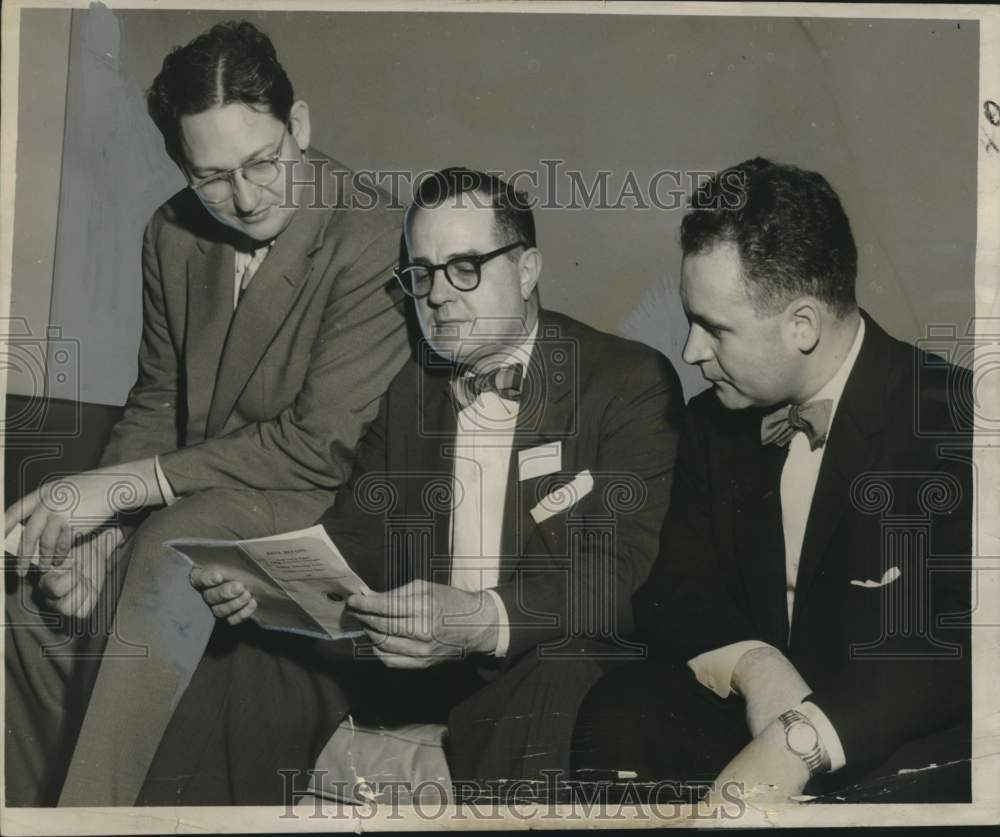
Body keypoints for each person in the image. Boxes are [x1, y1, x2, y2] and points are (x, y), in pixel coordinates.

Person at [133, 167, 685, 805]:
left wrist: (478, 621)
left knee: (556, 674)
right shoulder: (411, 389)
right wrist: (267, 587)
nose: (439, 296)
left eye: (466, 266)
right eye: (422, 274)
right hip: (419, 662)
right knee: (254, 653)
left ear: (528, 269)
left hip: (540, 655)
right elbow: (357, 540)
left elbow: (614, 576)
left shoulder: (625, 381)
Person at [4, 21, 410, 806]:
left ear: (300, 125)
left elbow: (315, 449)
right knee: (28, 594)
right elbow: (159, 400)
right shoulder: (171, 232)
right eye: (213, 176)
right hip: (198, 494)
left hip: (319, 511)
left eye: (263, 162)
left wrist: (122, 495)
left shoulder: (376, 235)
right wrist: (102, 530)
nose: (246, 196)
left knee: (170, 541)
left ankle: (93, 818)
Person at [573, 158, 973, 805]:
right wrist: (757, 667)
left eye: (716, 328)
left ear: (803, 326)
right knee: (621, 711)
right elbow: (675, 590)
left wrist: (800, 740)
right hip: (754, 710)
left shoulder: (955, 417)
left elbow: (959, 638)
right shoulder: (713, 422)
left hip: (884, 732)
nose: (693, 352)